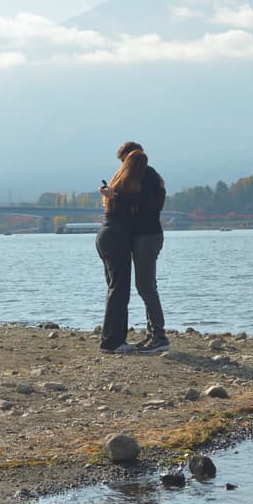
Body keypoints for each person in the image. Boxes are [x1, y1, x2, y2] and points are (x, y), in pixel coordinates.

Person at [119, 141, 170, 353]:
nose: (123, 166)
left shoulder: (147, 176)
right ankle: (152, 334)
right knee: (146, 286)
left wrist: (118, 196)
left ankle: (159, 336)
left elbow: (148, 203)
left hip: (147, 237)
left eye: (124, 161)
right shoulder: (149, 176)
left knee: (146, 287)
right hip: (147, 236)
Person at [95, 149, 145, 354]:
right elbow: (139, 204)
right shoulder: (128, 188)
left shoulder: (116, 185)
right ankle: (111, 342)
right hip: (116, 238)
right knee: (120, 290)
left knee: (115, 289)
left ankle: (112, 338)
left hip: (105, 235)